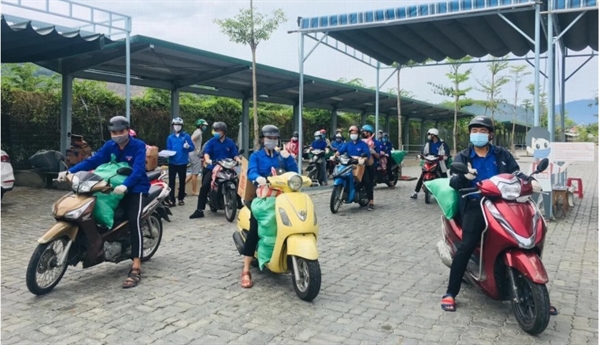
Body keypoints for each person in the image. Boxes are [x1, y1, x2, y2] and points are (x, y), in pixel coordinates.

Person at [441, 116, 558, 315]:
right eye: (474, 130)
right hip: (475, 203)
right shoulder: (464, 156)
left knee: (527, 237)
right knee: (467, 245)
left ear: (491, 134)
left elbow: (516, 173)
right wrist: (464, 176)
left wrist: (530, 182)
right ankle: (451, 292)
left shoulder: (502, 154)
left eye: (482, 131)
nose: (478, 134)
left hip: (505, 202)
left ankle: (534, 291)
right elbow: (454, 181)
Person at [57, 116, 149, 288]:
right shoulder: (110, 146)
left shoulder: (138, 146)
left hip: (136, 188)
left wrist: (125, 186)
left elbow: (138, 170)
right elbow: (94, 160)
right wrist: (69, 172)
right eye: (114, 132)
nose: (118, 135)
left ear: (128, 130)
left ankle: (136, 266)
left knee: (134, 220)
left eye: (121, 131)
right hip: (112, 186)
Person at [241, 125, 298, 288]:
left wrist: (289, 158)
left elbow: (294, 172)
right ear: (262, 139)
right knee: (253, 231)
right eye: (269, 138)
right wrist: (258, 178)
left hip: (283, 198)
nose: (272, 141)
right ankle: (246, 270)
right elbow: (251, 171)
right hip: (263, 199)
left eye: (274, 138)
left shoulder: (281, 156)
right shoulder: (256, 156)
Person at [189, 121, 239, 219]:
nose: (216, 132)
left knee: (237, 181)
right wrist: (207, 160)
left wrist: (238, 160)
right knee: (205, 186)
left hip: (227, 167)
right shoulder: (211, 142)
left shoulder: (230, 142)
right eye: (215, 130)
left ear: (223, 131)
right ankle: (199, 210)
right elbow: (207, 153)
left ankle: (240, 203)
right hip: (212, 167)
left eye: (218, 130)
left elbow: (235, 154)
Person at [335, 125, 373, 210]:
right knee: (342, 175)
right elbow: (340, 151)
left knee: (367, 181)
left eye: (355, 133)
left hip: (360, 166)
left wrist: (363, 158)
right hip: (348, 165)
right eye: (352, 133)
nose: (353, 135)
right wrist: (334, 156)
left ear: (358, 134)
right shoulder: (347, 144)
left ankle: (371, 201)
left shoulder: (363, 144)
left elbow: (367, 153)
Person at [410, 128, 451, 199]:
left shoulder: (442, 143)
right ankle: (415, 192)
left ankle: (446, 192)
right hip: (429, 161)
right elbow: (423, 151)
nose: (428, 136)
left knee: (443, 175)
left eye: (429, 134)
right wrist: (421, 155)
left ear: (434, 135)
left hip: (439, 162)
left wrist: (445, 156)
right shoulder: (428, 143)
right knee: (422, 175)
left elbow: (447, 152)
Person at [166, 117, 194, 206]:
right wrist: (167, 154)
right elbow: (168, 149)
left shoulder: (186, 136)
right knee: (171, 181)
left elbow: (192, 148)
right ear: (173, 126)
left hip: (182, 162)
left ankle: (181, 198)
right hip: (172, 162)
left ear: (182, 126)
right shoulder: (170, 137)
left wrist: (188, 146)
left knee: (182, 181)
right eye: (175, 125)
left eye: (179, 125)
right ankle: (171, 199)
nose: (177, 126)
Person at [185, 119, 209, 196]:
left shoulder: (197, 131)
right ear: (200, 126)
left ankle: (181, 187)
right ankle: (194, 191)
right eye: (204, 126)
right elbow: (191, 140)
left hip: (192, 153)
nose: (205, 127)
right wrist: (195, 148)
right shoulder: (198, 132)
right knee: (195, 173)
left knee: (192, 172)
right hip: (195, 154)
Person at [361, 125, 378, 210]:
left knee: (368, 182)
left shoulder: (375, 142)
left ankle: (371, 201)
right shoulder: (359, 142)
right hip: (359, 164)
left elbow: (379, 156)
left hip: (369, 165)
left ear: (369, 133)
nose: (363, 133)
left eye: (364, 131)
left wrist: (373, 152)